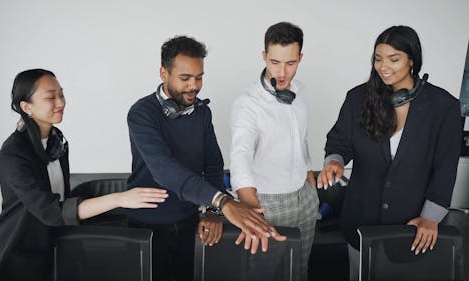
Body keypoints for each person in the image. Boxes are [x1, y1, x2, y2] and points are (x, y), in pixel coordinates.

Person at [126, 35, 285, 281]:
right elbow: (165, 170)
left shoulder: (201, 111)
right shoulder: (141, 113)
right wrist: (224, 202)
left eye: (199, 77)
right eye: (185, 78)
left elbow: (212, 164)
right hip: (147, 227)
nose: (194, 86)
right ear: (163, 73)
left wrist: (212, 211)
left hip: (189, 221)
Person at [0, 69, 169, 281]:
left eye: (61, 94)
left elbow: (62, 198)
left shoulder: (57, 140)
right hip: (24, 245)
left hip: (59, 239)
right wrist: (120, 198)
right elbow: (53, 211)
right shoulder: (13, 154)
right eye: (50, 97)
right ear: (26, 106)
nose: (60, 102)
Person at [317, 25, 462, 281]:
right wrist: (334, 163)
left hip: (413, 224)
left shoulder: (444, 107)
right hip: (360, 221)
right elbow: (338, 143)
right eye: (378, 58)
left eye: (393, 59)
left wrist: (430, 218)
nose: (384, 67)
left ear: (412, 60)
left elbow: (446, 167)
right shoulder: (357, 98)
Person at [230, 22, 319, 281]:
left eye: (290, 63)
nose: (282, 72)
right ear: (264, 57)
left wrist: (309, 172)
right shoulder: (248, 104)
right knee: (265, 274)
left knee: (300, 270)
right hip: (267, 202)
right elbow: (240, 154)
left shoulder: (300, 91)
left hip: (305, 197)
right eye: (275, 62)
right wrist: (249, 206)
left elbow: (300, 138)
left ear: (300, 58)